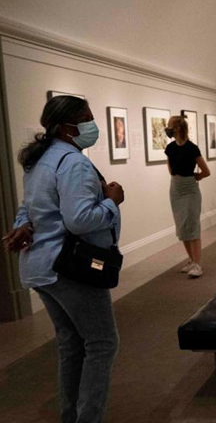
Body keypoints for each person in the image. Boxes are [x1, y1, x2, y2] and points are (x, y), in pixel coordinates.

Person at [2, 95, 124, 423]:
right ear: (68, 126)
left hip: (41, 267)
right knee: (101, 343)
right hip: (70, 268)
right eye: (86, 118)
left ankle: (71, 416)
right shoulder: (73, 162)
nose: (91, 124)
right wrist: (113, 201)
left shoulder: (38, 160)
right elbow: (80, 220)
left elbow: (30, 206)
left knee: (71, 343)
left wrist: (21, 226)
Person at [164, 115, 210, 278]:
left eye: (169, 126)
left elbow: (206, 171)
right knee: (182, 225)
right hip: (175, 189)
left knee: (192, 225)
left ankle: (197, 264)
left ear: (177, 128)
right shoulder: (170, 148)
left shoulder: (192, 148)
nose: (167, 128)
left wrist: (196, 177)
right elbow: (170, 167)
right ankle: (191, 260)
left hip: (190, 189)